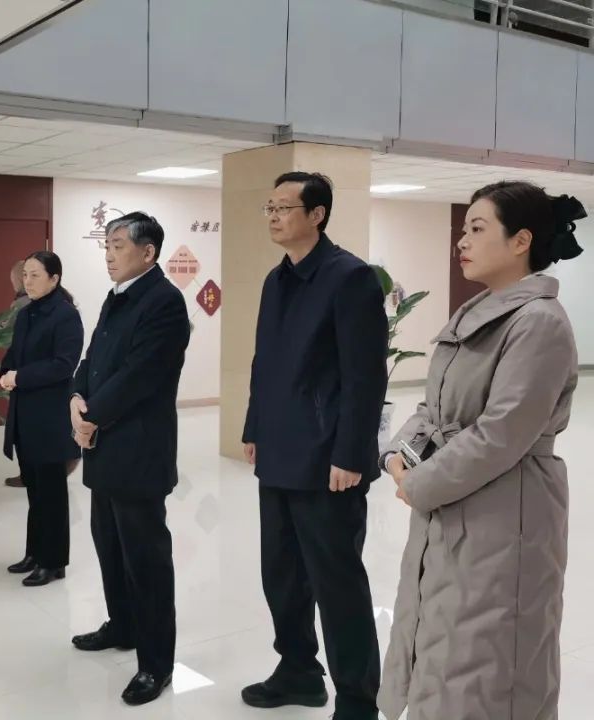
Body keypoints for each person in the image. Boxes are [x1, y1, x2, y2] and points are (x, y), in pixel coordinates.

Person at [379, 182, 584, 720]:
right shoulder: (477, 312)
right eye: (463, 229)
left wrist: (419, 483)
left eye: (476, 228)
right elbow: (433, 409)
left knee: (491, 661)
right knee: (441, 643)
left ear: (521, 241)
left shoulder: (539, 322)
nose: (462, 241)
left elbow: (501, 434)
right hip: (455, 504)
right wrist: (399, 455)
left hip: (507, 513)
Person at [241, 172, 387, 720]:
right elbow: (265, 362)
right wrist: (254, 426)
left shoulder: (349, 277)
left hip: (328, 459)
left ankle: (357, 698)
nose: (274, 216)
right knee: (280, 573)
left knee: (337, 583)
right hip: (279, 450)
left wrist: (351, 454)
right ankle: (298, 670)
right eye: (269, 207)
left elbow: (365, 376)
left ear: (317, 214)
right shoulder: (276, 279)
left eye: (284, 207)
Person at [69, 212, 190, 707]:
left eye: (118, 245)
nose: (109, 254)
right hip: (103, 447)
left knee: (146, 561)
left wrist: (92, 416)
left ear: (148, 252)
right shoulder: (116, 297)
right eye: (107, 245)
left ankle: (156, 663)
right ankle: (122, 625)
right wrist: (77, 399)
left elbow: (141, 375)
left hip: (138, 449)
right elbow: (92, 360)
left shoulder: (164, 301)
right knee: (110, 547)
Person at [0, 251, 83, 587]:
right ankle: (34, 553)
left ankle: (54, 562)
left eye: (35, 275)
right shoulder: (26, 314)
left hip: (50, 418)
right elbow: (13, 356)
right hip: (25, 415)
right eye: (26, 275)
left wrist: (19, 377)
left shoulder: (66, 316)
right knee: (34, 491)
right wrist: (6, 373)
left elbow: (63, 365)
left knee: (52, 494)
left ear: (54, 278)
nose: (28, 281)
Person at [4, 259, 32, 489]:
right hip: (41, 375)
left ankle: (27, 475)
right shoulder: (58, 302)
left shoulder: (21, 305)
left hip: (23, 375)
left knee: (23, 429)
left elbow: (2, 331)